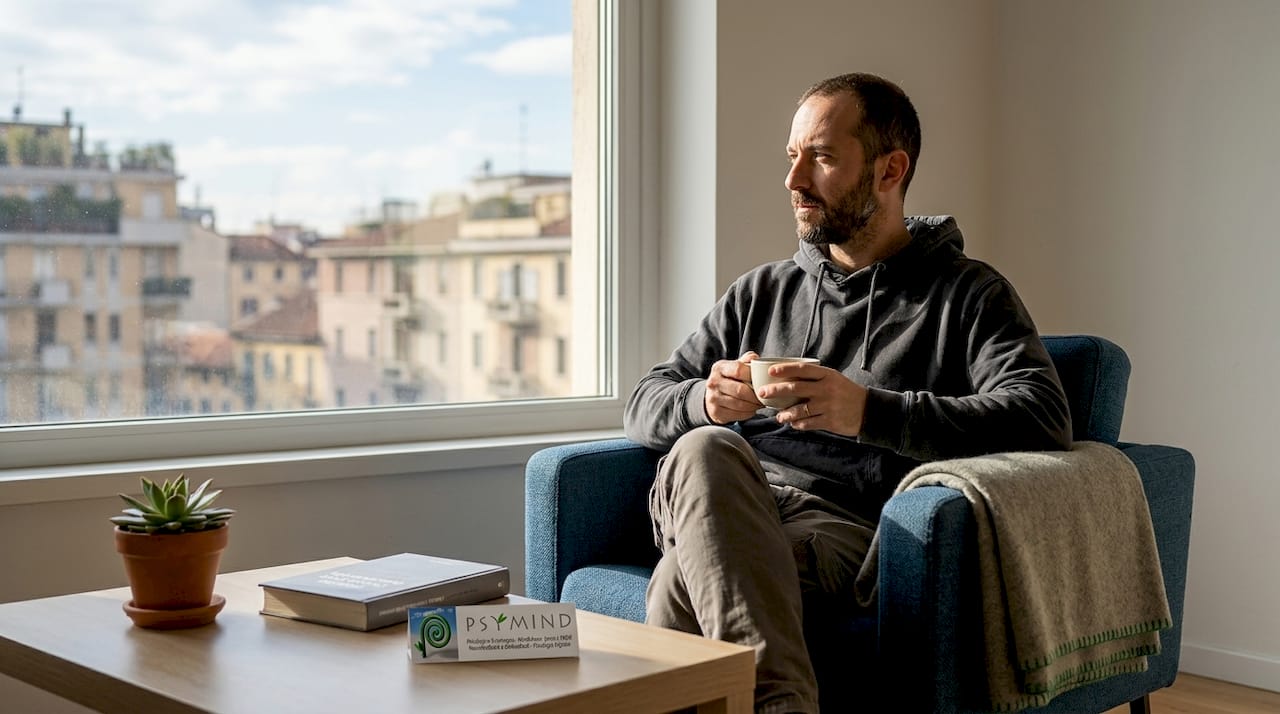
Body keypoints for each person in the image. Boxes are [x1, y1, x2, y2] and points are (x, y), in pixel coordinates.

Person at [622, 72, 1073, 714]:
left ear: (891, 170)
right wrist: (706, 401)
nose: (794, 181)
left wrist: (868, 411)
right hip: (729, 490)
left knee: (679, 580)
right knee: (705, 449)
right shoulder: (762, 292)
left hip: (848, 529)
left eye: (823, 157)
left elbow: (1042, 415)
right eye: (792, 156)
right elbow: (643, 401)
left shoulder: (968, 294)